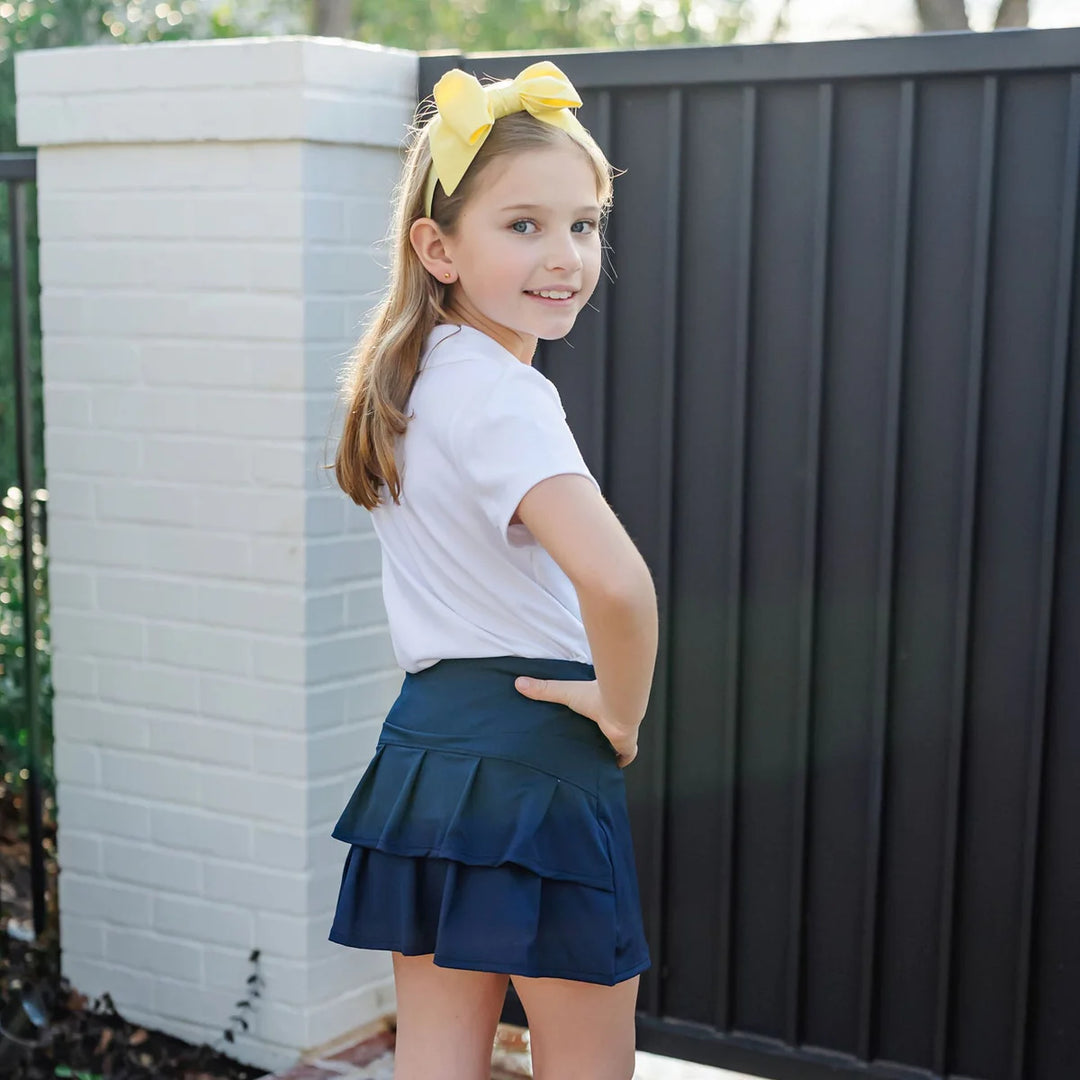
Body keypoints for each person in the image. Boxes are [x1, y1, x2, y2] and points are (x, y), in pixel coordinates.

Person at [328, 60, 659, 1080]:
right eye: (523, 226)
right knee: (588, 1066)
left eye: (585, 224)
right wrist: (620, 706)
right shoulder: (507, 398)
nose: (564, 255)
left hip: (426, 747)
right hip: (535, 755)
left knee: (433, 1057)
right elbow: (619, 584)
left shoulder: (413, 380)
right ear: (437, 246)